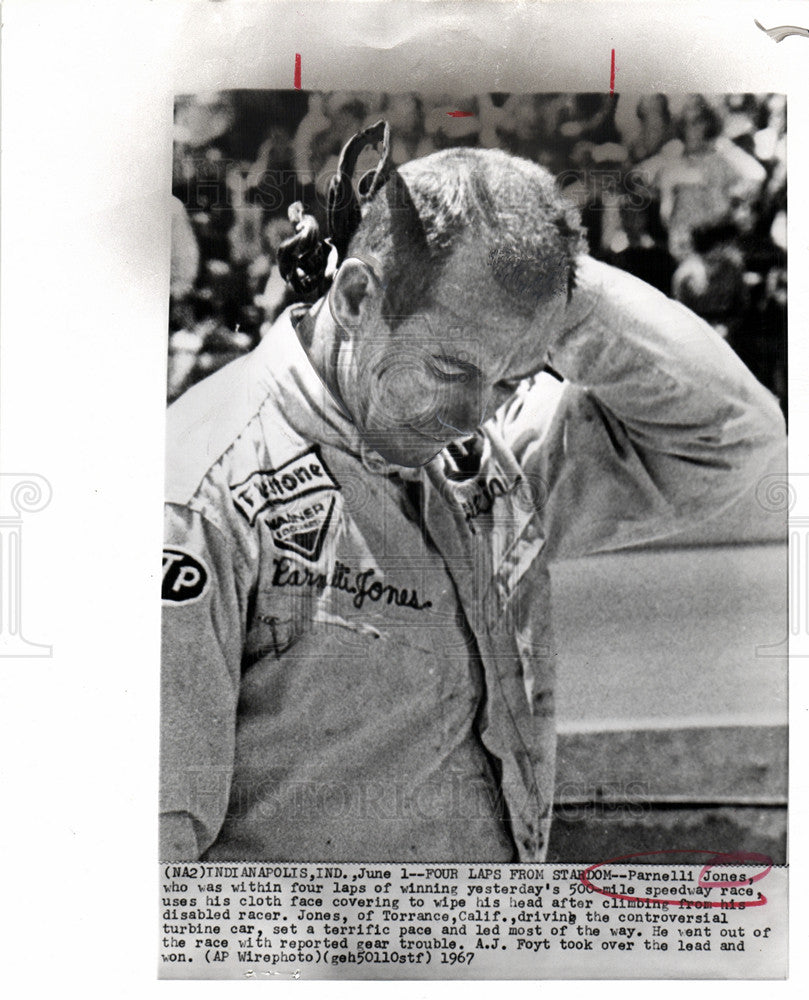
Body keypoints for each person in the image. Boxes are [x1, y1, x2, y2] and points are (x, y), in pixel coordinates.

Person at [161, 127, 785, 862]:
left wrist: (546, 278)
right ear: (358, 295)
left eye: (513, 379)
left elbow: (726, 437)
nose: (471, 415)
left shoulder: (470, 449)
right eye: (451, 368)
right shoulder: (198, 498)